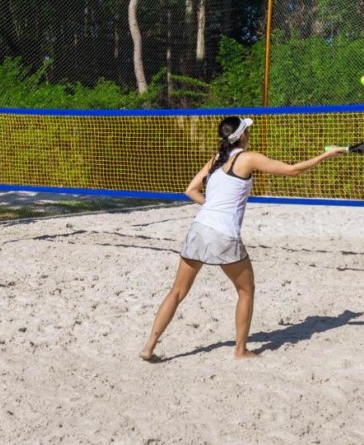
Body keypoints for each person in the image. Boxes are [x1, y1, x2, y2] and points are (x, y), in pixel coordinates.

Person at [139, 116, 345, 361]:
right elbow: (293, 171)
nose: (250, 134)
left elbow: (190, 190)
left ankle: (148, 347)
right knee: (246, 290)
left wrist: (213, 207)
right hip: (223, 234)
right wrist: (326, 155)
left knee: (177, 291)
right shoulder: (247, 158)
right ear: (242, 136)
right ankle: (240, 350)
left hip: (199, 227)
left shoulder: (216, 159)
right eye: (247, 130)